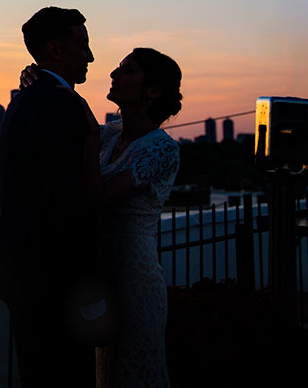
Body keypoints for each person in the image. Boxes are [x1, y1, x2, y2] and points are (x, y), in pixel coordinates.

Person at [0, 6, 102, 387]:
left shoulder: (25, 99)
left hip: (27, 278)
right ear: (55, 49)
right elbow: (67, 206)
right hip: (54, 285)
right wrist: (89, 289)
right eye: (82, 45)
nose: (89, 56)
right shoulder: (61, 106)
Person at [94, 48, 181, 388]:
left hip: (134, 277)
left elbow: (101, 196)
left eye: (127, 70)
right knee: (105, 372)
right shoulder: (110, 135)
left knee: (135, 371)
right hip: (101, 271)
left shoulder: (161, 148)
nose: (114, 75)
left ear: (153, 90)